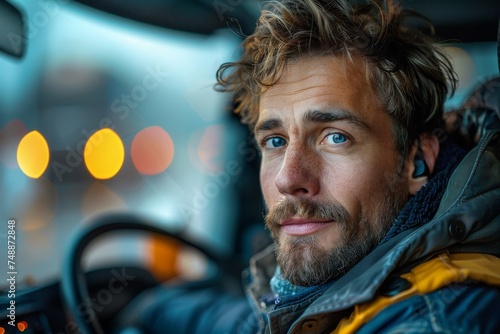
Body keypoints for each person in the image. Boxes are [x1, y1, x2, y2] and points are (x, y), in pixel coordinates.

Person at [118, 0, 500, 332]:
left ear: (415, 162)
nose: (288, 178)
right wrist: (149, 307)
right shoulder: (333, 286)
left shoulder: (433, 321)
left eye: (335, 137)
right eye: (276, 141)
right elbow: (241, 324)